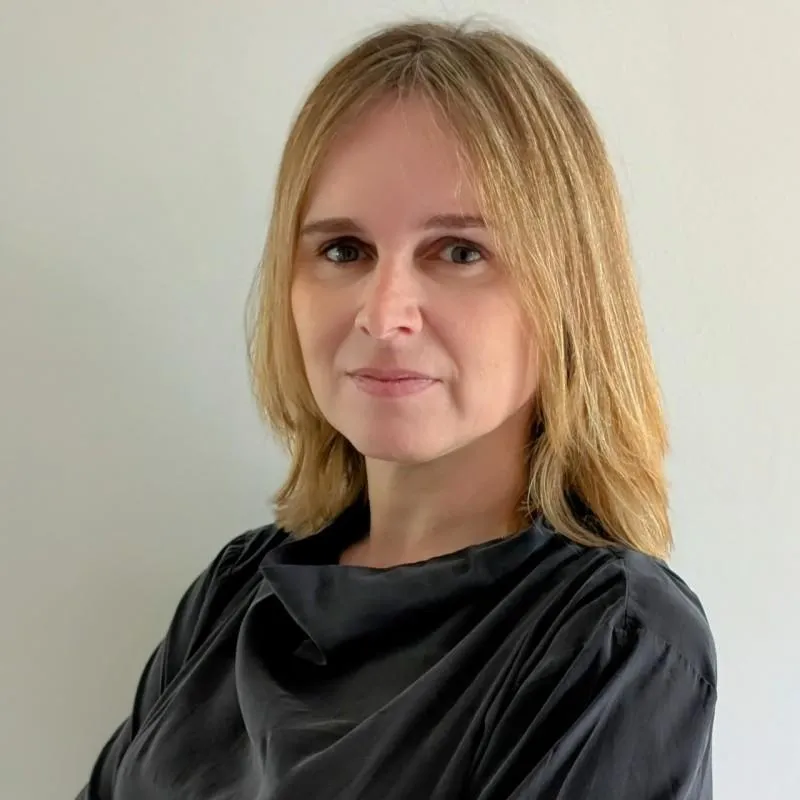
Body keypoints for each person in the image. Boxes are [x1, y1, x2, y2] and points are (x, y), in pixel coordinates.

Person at [76, 18, 717, 800]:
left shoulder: (610, 641)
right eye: (342, 250)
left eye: (458, 252)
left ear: (569, 296)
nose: (385, 315)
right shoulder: (237, 591)